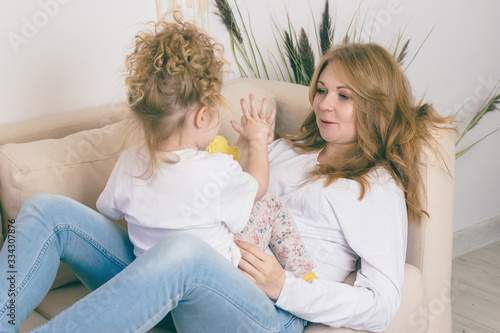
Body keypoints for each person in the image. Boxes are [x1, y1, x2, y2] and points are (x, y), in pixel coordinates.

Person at [0, 25, 451, 333]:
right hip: (187, 280)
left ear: (375, 105)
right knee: (48, 210)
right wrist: (251, 144)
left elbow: (382, 303)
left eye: (344, 96)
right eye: (321, 90)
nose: (324, 105)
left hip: (266, 310)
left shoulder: (374, 187)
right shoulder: (287, 149)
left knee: (183, 252)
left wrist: (284, 285)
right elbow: (208, 190)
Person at [95, 17, 314, 278]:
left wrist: (243, 142)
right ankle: (306, 276)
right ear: (202, 117)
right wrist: (257, 142)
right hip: (218, 288)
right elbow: (256, 186)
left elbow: (108, 209)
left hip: (155, 285)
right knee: (270, 203)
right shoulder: (215, 171)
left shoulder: (130, 162)